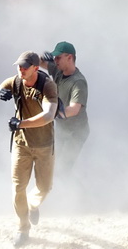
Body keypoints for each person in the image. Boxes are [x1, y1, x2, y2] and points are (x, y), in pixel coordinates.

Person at [0, 50, 58, 247]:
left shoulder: (47, 85)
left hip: (43, 145)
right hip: (21, 144)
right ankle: (23, 228)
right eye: (19, 66)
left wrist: (20, 123)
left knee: (44, 188)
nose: (21, 69)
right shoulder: (15, 82)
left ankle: (32, 206)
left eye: (25, 67)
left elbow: (48, 115)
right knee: (18, 188)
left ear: (35, 67)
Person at [44, 41, 89, 173]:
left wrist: (51, 113)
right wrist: (40, 58)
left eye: (58, 57)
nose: (55, 60)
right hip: (62, 129)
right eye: (54, 57)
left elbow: (74, 109)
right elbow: (41, 64)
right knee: (51, 162)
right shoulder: (59, 72)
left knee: (62, 168)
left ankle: (67, 191)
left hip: (76, 133)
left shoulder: (78, 82)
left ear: (69, 57)